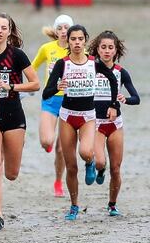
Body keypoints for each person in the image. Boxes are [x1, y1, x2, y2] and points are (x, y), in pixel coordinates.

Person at [42, 25, 119, 221]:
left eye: (80, 39)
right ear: (68, 41)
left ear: (85, 41)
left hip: (88, 116)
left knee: (85, 152)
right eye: (73, 39)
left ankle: (91, 162)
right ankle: (74, 205)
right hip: (67, 116)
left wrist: (113, 105)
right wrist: (56, 87)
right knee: (71, 166)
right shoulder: (62, 64)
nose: (76, 43)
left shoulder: (94, 62)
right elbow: (46, 92)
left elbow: (112, 79)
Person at [0, 14, 40, 231]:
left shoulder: (17, 55)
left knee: (11, 173)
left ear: (9, 31)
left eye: (3, 27)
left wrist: (13, 87)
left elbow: (35, 84)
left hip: (14, 115)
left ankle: (3, 150)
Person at [89, 31, 140, 216]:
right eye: (103, 47)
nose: (107, 51)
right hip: (95, 123)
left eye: (111, 47)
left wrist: (124, 99)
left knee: (116, 169)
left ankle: (112, 204)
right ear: (97, 49)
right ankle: (98, 168)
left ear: (116, 50)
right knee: (100, 162)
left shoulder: (120, 72)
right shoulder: (90, 69)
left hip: (115, 124)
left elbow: (136, 98)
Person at [32, 14, 73, 197]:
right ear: (55, 32)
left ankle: (58, 182)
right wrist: (29, 87)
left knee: (61, 148)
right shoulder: (46, 48)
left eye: (66, 28)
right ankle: (49, 143)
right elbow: (32, 68)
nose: (63, 31)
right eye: (60, 28)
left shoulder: (79, 50)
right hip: (50, 100)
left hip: (70, 102)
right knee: (47, 141)